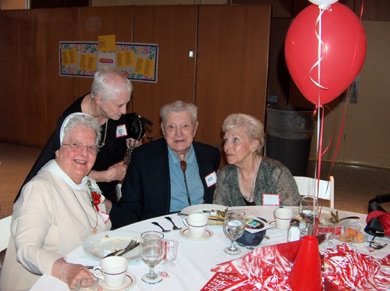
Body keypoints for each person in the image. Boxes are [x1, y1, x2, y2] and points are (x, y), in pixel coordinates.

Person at [0, 113, 111, 290]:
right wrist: (65, 270)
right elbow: (27, 249)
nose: (84, 153)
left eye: (91, 147)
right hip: (40, 283)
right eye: (75, 144)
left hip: (83, 276)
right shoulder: (39, 189)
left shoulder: (88, 183)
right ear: (58, 150)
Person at [15, 68, 151, 208]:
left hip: (109, 186)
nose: (124, 111)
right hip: (76, 189)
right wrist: (105, 175)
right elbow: (65, 171)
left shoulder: (113, 113)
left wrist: (128, 150)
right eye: (120, 105)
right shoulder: (72, 123)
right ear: (99, 99)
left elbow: (117, 140)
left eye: (126, 103)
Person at [109, 100, 221, 229]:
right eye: (171, 127)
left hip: (202, 226)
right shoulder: (144, 158)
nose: (178, 133)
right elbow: (131, 205)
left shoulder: (210, 155)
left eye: (185, 126)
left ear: (195, 128)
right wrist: (109, 208)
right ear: (163, 129)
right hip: (162, 229)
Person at [213, 113, 300, 207]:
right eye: (226, 140)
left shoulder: (276, 173)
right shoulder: (225, 175)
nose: (226, 146)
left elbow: (293, 212)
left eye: (236, 140)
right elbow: (219, 214)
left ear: (254, 145)